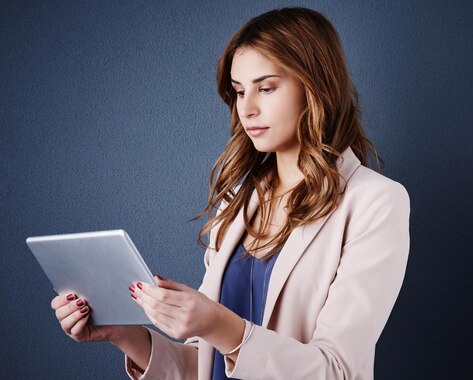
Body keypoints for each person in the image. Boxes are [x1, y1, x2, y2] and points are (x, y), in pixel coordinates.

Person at [50, 6, 410, 379]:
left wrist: (219, 325)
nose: (247, 109)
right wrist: (123, 334)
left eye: (266, 88)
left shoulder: (376, 202)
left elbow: (338, 371)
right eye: (239, 91)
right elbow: (203, 367)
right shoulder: (237, 200)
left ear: (316, 87)